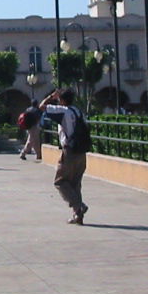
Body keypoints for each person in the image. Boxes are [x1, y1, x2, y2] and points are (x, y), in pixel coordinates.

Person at [39, 88, 88, 224]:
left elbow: (42, 107)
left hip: (70, 151)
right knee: (75, 183)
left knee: (60, 181)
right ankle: (78, 216)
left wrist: (50, 96)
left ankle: (79, 206)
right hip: (81, 151)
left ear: (62, 100)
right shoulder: (78, 112)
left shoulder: (64, 111)